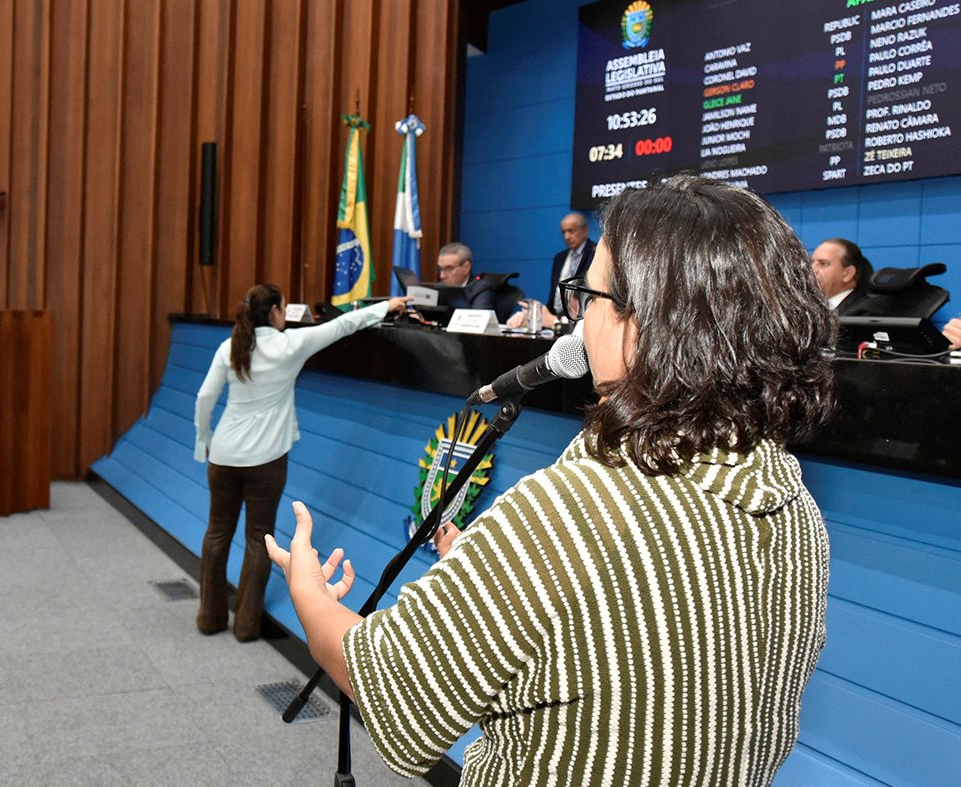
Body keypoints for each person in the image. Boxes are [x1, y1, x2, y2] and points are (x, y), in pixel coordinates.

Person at [267, 176, 837, 785]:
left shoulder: (574, 515)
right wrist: (504, 579)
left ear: (643, 322)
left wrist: (308, 592)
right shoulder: (796, 507)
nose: (579, 319)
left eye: (588, 296)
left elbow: (389, 686)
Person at [194, 285, 409, 641]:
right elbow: (344, 325)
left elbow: (205, 397)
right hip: (266, 462)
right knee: (258, 539)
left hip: (223, 456)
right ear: (275, 312)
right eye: (283, 307)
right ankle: (245, 626)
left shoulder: (230, 347)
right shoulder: (291, 344)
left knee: (216, 533)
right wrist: (386, 306)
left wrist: (203, 439)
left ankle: (209, 618)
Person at [506, 211, 596, 330]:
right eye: (563, 232)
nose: (567, 236)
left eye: (571, 231)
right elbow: (554, 295)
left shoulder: (596, 254)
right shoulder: (560, 258)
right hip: (555, 318)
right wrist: (540, 315)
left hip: (580, 321)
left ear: (585, 230)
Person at [436, 242, 516, 319]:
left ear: (466, 267)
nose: (442, 276)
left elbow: (478, 319)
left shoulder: (481, 288)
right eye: (440, 269)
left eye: (449, 269)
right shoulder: (439, 288)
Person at [811, 237, 872, 314]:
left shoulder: (864, 312)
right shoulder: (809, 307)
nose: (812, 269)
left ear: (848, 273)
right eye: (811, 262)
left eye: (823, 263)